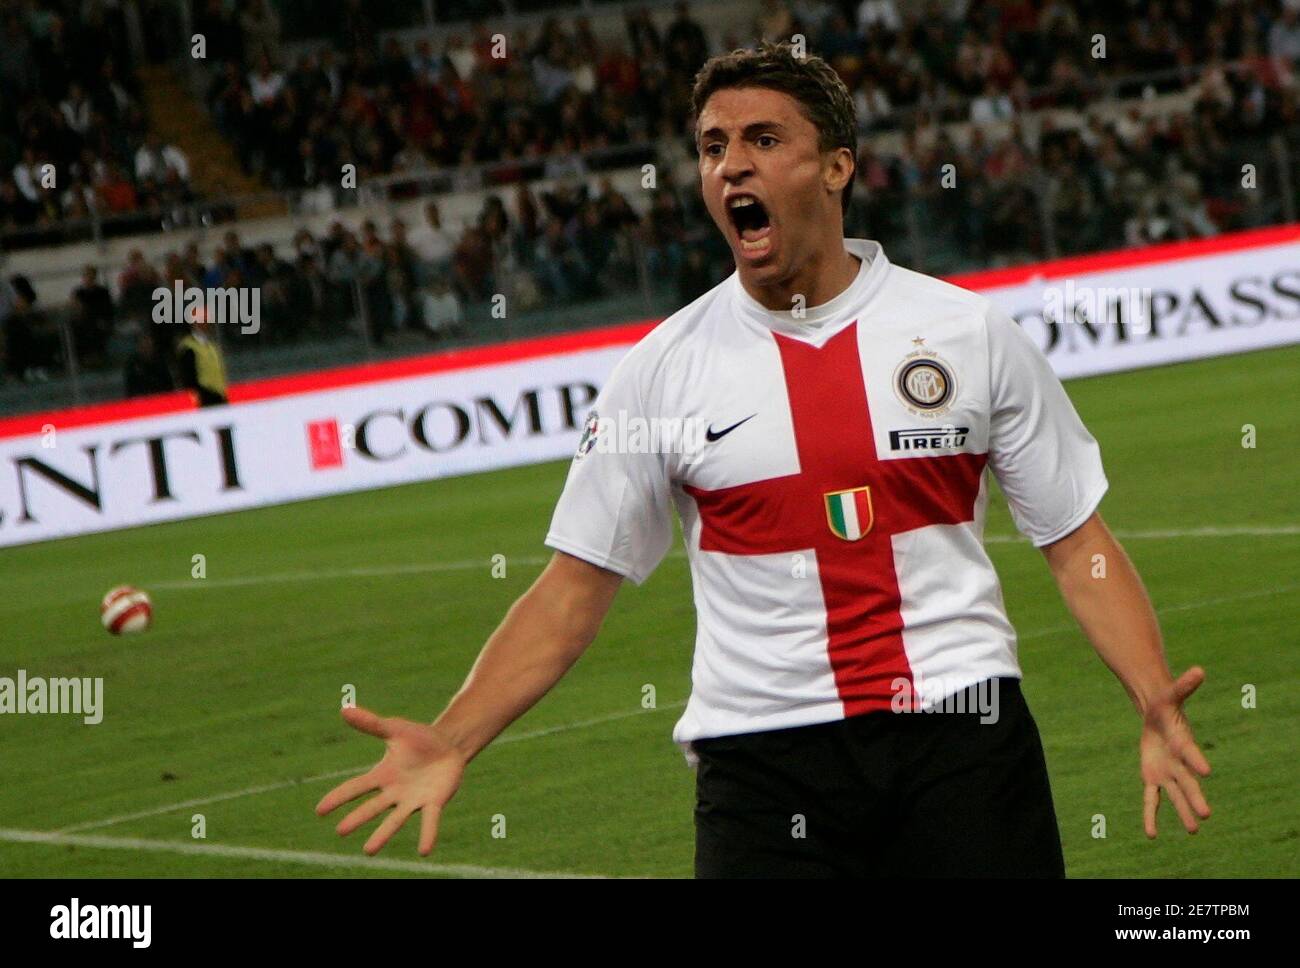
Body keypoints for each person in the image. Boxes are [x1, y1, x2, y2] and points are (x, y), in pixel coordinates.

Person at [316, 43, 1212, 876]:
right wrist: (454, 737)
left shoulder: (969, 333)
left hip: (960, 733)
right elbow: (571, 590)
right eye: (712, 146)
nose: (730, 164)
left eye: (762, 138)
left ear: (835, 167)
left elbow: (1074, 541)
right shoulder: (660, 372)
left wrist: (1151, 697)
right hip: (762, 761)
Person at [175, 314, 228, 406]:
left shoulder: (211, 346)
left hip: (219, 396)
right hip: (204, 400)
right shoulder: (188, 347)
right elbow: (189, 378)